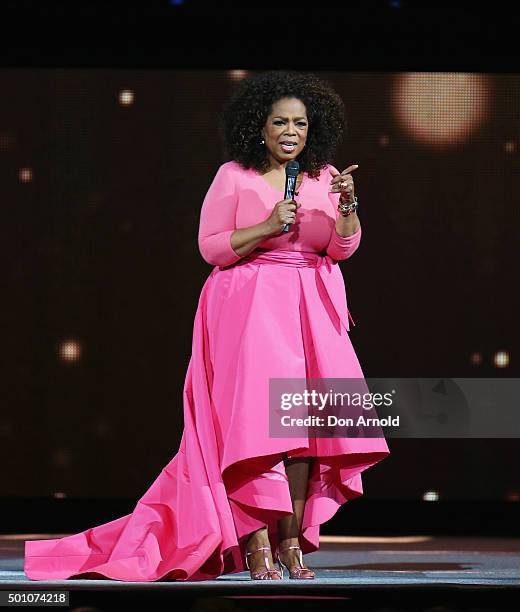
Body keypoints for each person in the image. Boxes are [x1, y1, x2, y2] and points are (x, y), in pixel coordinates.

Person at [24, 70, 390, 582]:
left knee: (306, 431)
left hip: (312, 307)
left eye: (300, 123)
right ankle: (257, 544)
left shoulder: (324, 177)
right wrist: (267, 226)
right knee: (258, 428)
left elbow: (341, 248)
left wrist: (348, 208)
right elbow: (211, 247)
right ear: (258, 128)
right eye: (280, 122)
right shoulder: (234, 175)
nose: (291, 132)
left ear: (314, 129)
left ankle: (292, 544)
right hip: (250, 308)